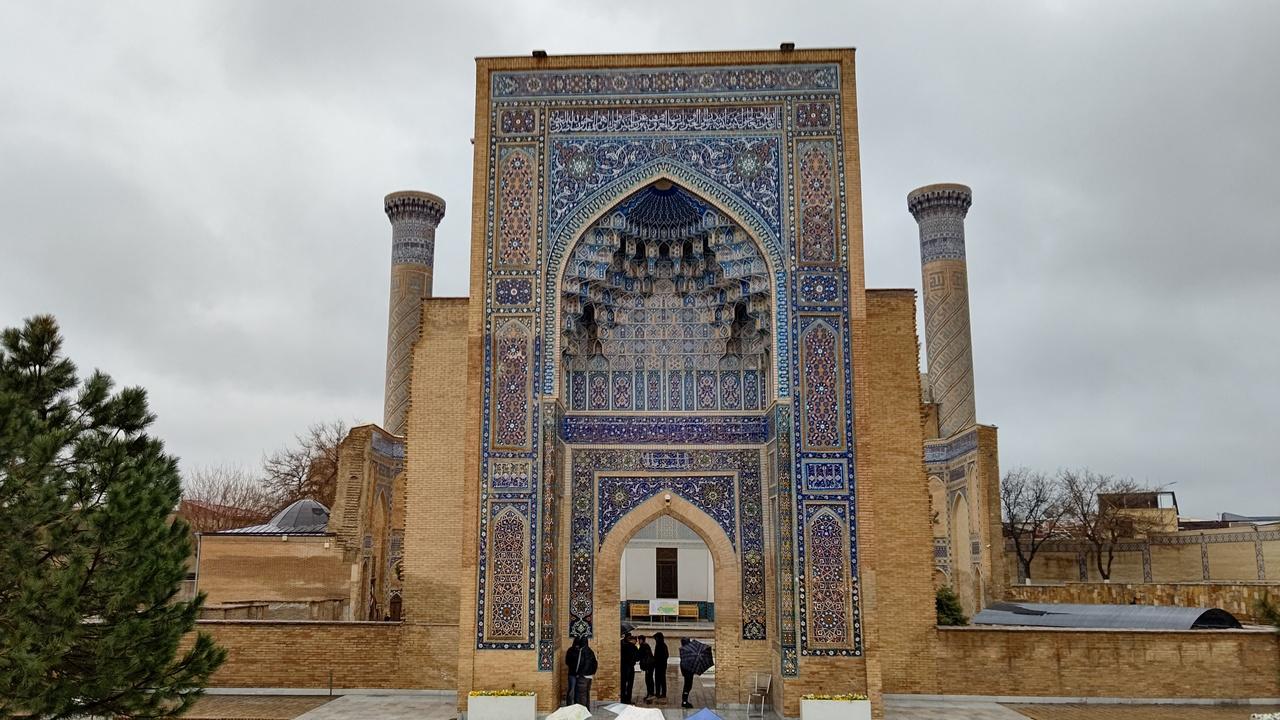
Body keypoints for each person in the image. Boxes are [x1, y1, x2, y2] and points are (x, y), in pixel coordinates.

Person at [564, 636, 597, 709]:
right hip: (574, 674)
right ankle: (570, 707)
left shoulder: (583, 651)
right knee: (574, 691)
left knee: (580, 693)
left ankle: (578, 707)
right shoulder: (572, 650)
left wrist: (580, 672)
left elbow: (586, 664)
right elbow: (567, 661)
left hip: (581, 675)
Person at [620, 634, 638, 704]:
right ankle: (628, 699)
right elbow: (637, 657)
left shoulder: (620, 644)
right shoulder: (632, 646)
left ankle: (622, 699)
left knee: (623, 684)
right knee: (629, 685)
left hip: (622, 667)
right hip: (630, 667)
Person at [636, 634, 655, 702]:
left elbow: (639, 656)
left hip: (648, 666)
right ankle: (650, 693)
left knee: (648, 679)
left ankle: (650, 693)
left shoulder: (643, 646)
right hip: (650, 665)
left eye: (639, 640)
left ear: (641, 640)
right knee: (649, 679)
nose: (638, 641)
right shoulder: (646, 645)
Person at [651, 632, 669, 700]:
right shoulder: (662, 645)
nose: (655, 639)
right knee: (660, 679)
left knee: (660, 680)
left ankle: (661, 693)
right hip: (661, 665)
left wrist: (657, 660)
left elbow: (663, 656)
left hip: (660, 666)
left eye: (656, 638)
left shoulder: (660, 645)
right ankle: (659, 693)